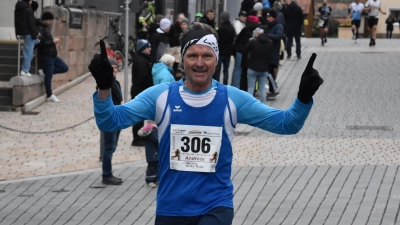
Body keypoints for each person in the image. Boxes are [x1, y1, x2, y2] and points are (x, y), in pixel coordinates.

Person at [89, 22, 323, 224]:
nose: (199, 63)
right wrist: (104, 87)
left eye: (207, 56)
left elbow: (286, 124)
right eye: (192, 55)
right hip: (172, 208)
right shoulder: (160, 96)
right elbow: (110, 121)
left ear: (216, 60)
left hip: (216, 206)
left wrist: (303, 99)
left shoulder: (232, 99)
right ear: (182, 59)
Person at [36, 12, 69, 102]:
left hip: (52, 54)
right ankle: (49, 95)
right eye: (50, 20)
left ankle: (45, 72)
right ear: (45, 20)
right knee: (49, 76)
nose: (51, 22)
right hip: (46, 55)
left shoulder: (46, 28)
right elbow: (40, 44)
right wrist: (53, 42)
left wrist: (53, 40)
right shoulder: (39, 29)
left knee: (64, 68)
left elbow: (47, 40)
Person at [100, 58, 123, 185]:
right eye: (112, 68)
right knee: (108, 147)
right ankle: (106, 175)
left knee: (112, 146)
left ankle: (108, 173)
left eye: (115, 67)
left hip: (117, 118)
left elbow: (117, 98)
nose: (114, 70)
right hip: (110, 119)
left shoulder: (115, 82)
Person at [130, 39, 153, 146]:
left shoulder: (143, 59)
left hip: (141, 91)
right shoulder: (141, 61)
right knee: (138, 116)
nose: (150, 49)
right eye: (147, 47)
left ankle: (139, 136)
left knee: (141, 115)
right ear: (142, 49)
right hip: (140, 92)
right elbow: (142, 77)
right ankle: (137, 138)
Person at [245, 26, 276, 104]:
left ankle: (249, 104)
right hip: (264, 69)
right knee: (262, 87)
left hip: (252, 68)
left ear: (257, 34)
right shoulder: (270, 43)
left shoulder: (253, 42)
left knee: (251, 87)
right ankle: (262, 104)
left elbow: (245, 49)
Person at [232, 15, 259, 90]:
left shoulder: (245, 28)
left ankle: (235, 86)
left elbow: (238, 38)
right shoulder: (256, 31)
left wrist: (234, 50)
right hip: (248, 52)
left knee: (238, 69)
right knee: (244, 69)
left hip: (240, 50)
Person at [14, 0, 40, 77]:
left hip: (21, 31)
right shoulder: (29, 9)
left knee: (29, 51)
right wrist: (35, 34)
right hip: (28, 32)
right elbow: (31, 23)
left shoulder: (18, 9)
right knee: (28, 52)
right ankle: (25, 70)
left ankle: (25, 69)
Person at [266, 9, 283, 100]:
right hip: (268, 52)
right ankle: (272, 90)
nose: (268, 18)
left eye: (269, 17)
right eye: (267, 17)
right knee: (269, 72)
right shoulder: (270, 25)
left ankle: (274, 90)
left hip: (274, 52)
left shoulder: (278, 26)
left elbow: (278, 36)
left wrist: (267, 35)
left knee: (270, 72)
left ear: (274, 17)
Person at [214, 11, 236, 85]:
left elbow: (217, 39)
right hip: (228, 53)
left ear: (222, 19)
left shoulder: (221, 29)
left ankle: (217, 84)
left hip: (220, 52)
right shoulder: (232, 29)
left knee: (218, 70)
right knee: (226, 71)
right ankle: (225, 85)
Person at [138, 120, 159, 188]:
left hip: (153, 152)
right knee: (153, 165)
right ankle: (150, 180)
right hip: (153, 152)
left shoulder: (151, 129)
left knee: (155, 165)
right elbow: (156, 140)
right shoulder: (152, 129)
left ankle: (154, 179)